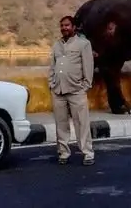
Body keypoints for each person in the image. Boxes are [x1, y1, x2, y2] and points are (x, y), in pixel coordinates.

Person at [48, 15, 95, 166]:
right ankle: (63, 153)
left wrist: (85, 86)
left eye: (67, 25)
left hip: (76, 91)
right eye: (62, 26)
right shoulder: (56, 45)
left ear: (74, 27)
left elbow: (88, 66)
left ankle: (87, 153)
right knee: (61, 125)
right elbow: (52, 66)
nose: (64, 28)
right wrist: (51, 83)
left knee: (81, 123)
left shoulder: (83, 44)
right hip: (58, 91)